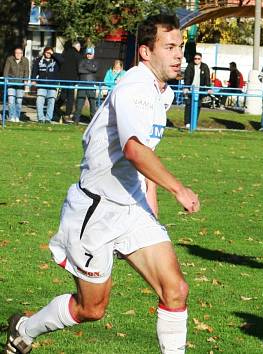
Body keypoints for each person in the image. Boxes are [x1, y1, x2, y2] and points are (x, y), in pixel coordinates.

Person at [4, 13, 199, 354]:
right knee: (91, 308)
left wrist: (151, 217)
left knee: (176, 291)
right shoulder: (134, 87)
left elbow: (144, 158)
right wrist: (178, 188)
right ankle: (25, 329)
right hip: (95, 210)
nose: (179, 55)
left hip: (131, 206)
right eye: (169, 47)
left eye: (180, 47)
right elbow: (134, 150)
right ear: (145, 52)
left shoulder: (161, 92)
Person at [31, 46, 64, 123]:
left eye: (50, 52)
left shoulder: (56, 60)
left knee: (51, 102)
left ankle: (48, 119)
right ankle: (41, 118)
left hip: (52, 84)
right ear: (44, 52)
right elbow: (34, 71)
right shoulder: (38, 60)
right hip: (41, 84)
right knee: (39, 101)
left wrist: (54, 54)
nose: (48, 54)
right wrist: (33, 80)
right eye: (47, 52)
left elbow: (62, 61)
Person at [183, 52, 211, 128]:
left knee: (198, 105)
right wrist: (186, 87)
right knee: (188, 105)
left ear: (201, 59)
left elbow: (207, 78)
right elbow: (187, 77)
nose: (197, 60)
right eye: (195, 58)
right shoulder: (190, 66)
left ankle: (194, 122)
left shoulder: (204, 66)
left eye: (198, 59)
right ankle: (187, 122)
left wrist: (208, 88)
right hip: (191, 89)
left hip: (200, 89)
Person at [3, 47, 30, 123]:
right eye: (16, 53)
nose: (18, 54)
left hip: (20, 84)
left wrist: (26, 80)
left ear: (22, 54)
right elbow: (6, 70)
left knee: (19, 101)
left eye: (20, 53)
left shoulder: (25, 60)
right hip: (11, 83)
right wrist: (6, 79)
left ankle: (17, 116)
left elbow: (27, 71)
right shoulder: (10, 59)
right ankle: (11, 116)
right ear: (14, 53)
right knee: (11, 101)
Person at [73, 47, 99, 124]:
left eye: (90, 54)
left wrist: (86, 67)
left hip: (91, 85)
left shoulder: (96, 62)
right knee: (79, 104)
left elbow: (95, 69)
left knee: (92, 105)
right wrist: (90, 68)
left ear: (93, 54)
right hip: (82, 84)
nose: (89, 55)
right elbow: (80, 70)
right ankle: (76, 121)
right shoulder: (82, 61)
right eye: (88, 54)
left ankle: (92, 122)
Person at [58, 41, 81, 122]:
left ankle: (56, 107)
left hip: (63, 78)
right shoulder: (77, 55)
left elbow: (60, 61)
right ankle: (67, 114)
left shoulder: (65, 53)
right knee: (70, 97)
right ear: (76, 47)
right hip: (72, 79)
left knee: (63, 95)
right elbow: (79, 68)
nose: (80, 49)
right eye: (79, 47)